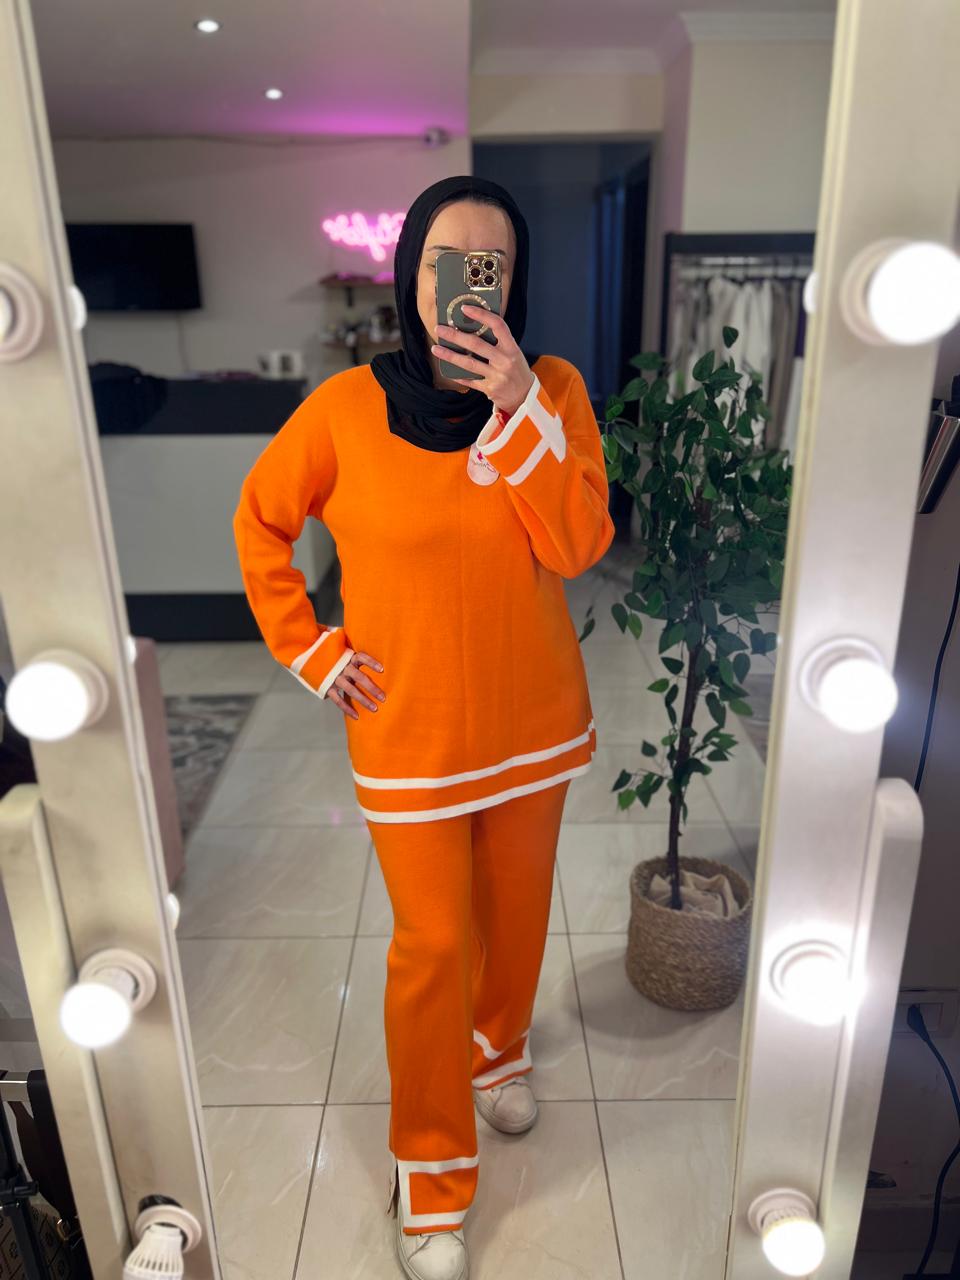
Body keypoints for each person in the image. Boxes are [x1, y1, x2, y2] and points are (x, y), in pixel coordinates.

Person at [232, 174, 615, 1280]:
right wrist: (312, 649)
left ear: (515, 282)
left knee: (519, 918)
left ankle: (499, 1053)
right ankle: (433, 1175)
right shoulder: (343, 408)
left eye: (492, 267)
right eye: (450, 264)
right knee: (432, 946)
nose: (469, 288)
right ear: (411, 275)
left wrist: (519, 405)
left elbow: (580, 543)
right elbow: (261, 521)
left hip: (533, 724)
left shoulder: (553, 388)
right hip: (409, 737)